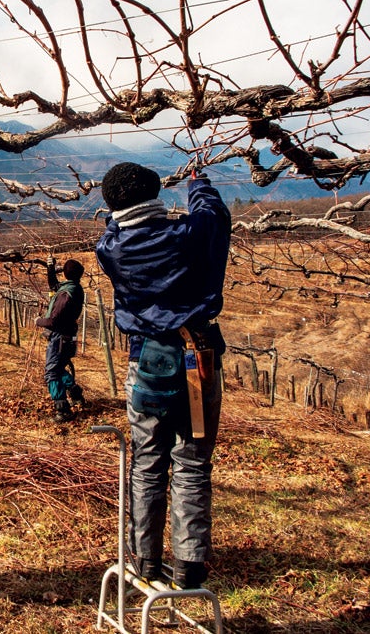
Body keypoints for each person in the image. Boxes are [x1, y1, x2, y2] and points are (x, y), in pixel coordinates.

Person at [95, 162, 230, 590]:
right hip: (197, 356)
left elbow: (116, 225)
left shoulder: (110, 248)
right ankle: (189, 564)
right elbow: (214, 216)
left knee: (147, 461)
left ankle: (145, 559)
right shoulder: (189, 235)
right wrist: (197, 183)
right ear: (155, 197)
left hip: (146, 362)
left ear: (114, 207)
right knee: (191, 462)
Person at [35, 257, 85, 423]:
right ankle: (74, 391)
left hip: (59, 338)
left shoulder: (66, 294)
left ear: (65, 273)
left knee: (51, 372)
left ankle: (62, 410)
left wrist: (38, 321)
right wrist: (50, 267)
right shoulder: (75, 288)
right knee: (57, 368)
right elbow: (54, 286)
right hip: (67, 337)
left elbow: (53, 321)